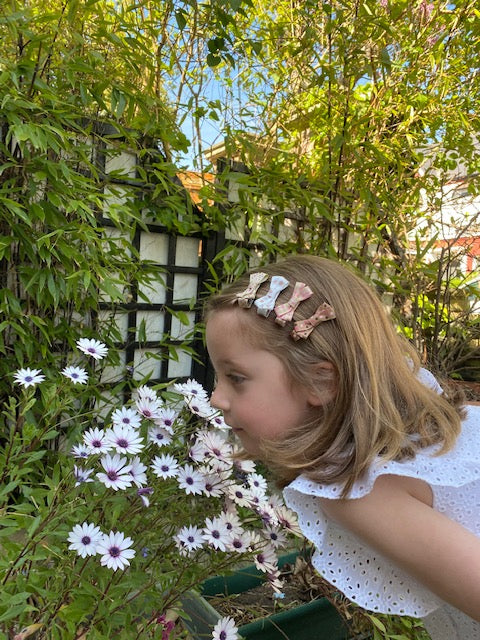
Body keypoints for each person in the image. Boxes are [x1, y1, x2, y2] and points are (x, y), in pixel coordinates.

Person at [204, 254, 480, 639]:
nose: (216, 397)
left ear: (321, 383)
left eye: (236, 377)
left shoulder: (358, 489)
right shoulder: (440, 423)